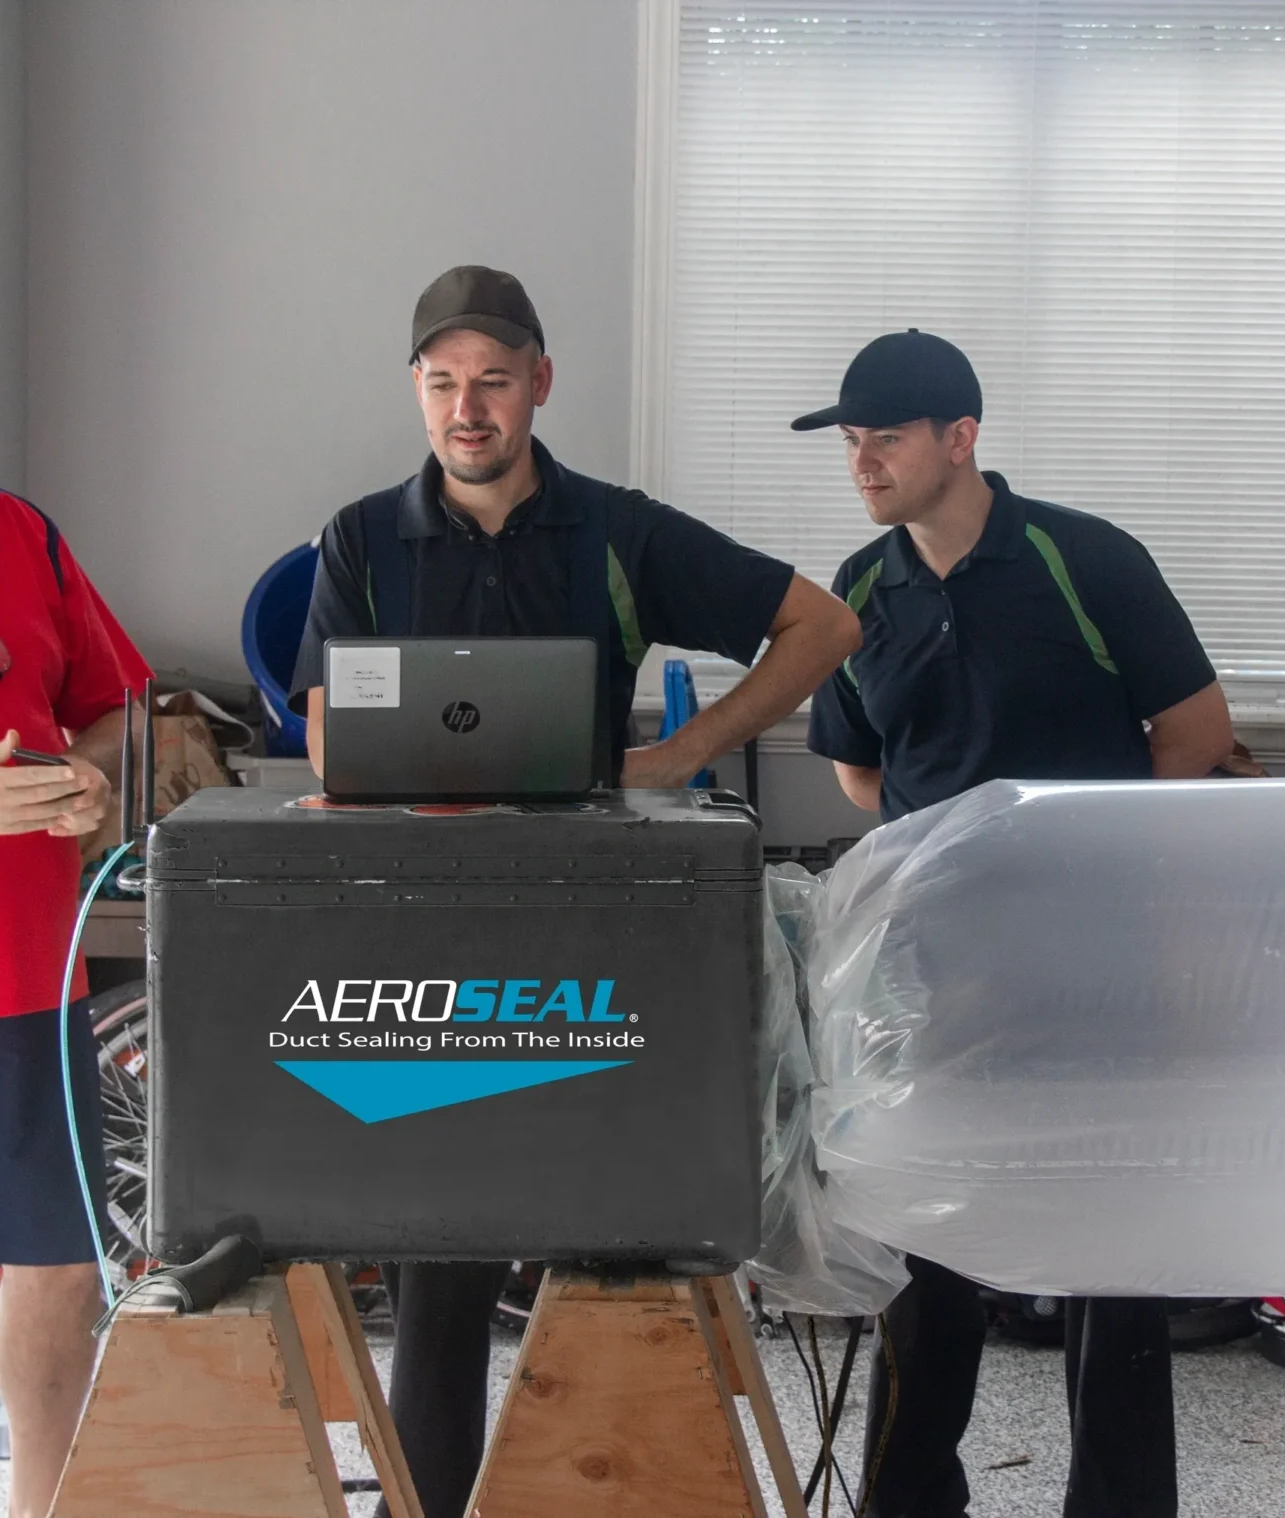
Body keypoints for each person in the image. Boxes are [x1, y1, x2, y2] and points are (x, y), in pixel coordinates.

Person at [289, 265, 860, 1518]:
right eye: (442, 384)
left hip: (601, 932)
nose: (467, 408)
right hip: (434, 946)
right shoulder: (361, 540)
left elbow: (821, 625)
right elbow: (329, 738)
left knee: (614, 1255)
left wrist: (685, 753)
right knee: (441, 1266)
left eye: (493, 380)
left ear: (541, 384)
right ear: (418, 395)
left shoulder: (617, 532)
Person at [796, 330, 1234, 1518]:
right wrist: (959, 862)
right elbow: (860, 778)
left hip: (1093, 969)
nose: (864, 460)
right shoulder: (861, 588)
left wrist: (1074, 862)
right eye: (850, 440)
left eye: (885, 436)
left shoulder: (1084, 561)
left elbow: (1194, 735)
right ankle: (911, 1501)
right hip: (933, 977)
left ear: (960, 438)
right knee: (924, 1251)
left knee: (1110, 1259)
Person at [0, 481, 149, 1518]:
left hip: (28, 978)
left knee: (58, 1271)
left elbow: (114, 708)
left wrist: (87, 777)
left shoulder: (20, 532)